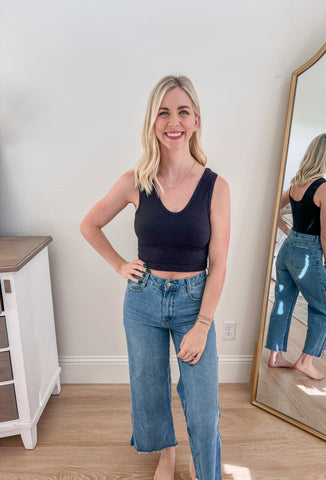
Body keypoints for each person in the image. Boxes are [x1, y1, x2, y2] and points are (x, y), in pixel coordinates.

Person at [80, 75, 230, 480]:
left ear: (196, 120)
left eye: (182, 111)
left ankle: (206, 466)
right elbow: (89, 225)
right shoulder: (136, 181)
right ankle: (168, 453)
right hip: (143, 300)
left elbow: (219, 264)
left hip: (194, 302)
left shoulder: (216, 187)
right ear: (152, 122)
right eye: (163, 112)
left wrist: (203, 324)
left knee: (202, 405)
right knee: (150, 392)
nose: (173, 121)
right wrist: (119, 265)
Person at [265, 133, 326, 381]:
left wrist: (288, 231)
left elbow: (272, 206)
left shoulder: (297, 182)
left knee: (282, 302)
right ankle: (305, 361)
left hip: (287, 251)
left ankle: (275, 356)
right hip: (308, 255)